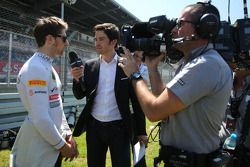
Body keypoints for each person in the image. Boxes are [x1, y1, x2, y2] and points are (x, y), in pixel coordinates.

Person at [118, 2, 233, 167]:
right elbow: (165, 100)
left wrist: (134, 75)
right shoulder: (191, 62)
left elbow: (155, 111)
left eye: (180, 24)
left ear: (204, 27)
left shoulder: (206, 64)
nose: (173, 30)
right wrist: (152, 69)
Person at [70, 23, 147, 167]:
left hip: (119, 129)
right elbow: (79, 94)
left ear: (113, 42)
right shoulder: (89, 65)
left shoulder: (126, 66)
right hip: (94, 129)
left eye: (101, 39)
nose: (97, 43)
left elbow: (137, 102)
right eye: (95, 39)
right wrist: (76, 80)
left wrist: (141, 131)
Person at [10, 16, 78, 167]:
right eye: (64, 37)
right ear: (50, 39)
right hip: (39, 150)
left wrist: (67, 133)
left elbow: (56, 106)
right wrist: (62, 146)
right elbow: (40, 117)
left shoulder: (46, 66)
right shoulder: (35, 68)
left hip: (50, 146)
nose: (67, 43)